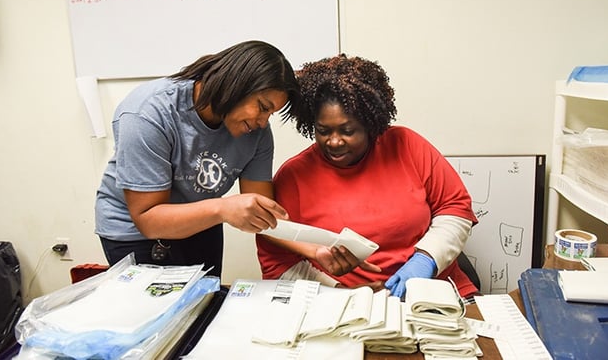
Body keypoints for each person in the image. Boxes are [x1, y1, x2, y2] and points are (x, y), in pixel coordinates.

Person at [256, 54, 479, 299]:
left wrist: (424, 261)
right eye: (323, 131)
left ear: (370, 125)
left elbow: (455, 207)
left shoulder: (407, 146)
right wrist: (342, 293)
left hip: (434, 294)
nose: (334, 141)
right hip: (344, 308)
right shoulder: (294, 176)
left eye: (348, 130)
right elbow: (278, 261)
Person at [95, 40, 300, 278]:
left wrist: (317, 251)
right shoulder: (148, 113)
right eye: (263, 107)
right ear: (236, 85)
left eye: (271, 113)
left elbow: (266, 216)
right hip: (136, 232)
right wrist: (223, 208)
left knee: (204, 303)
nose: (264, 122)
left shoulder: (257, 133)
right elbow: (148, 219)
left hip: (203, 221)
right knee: (160, 312)